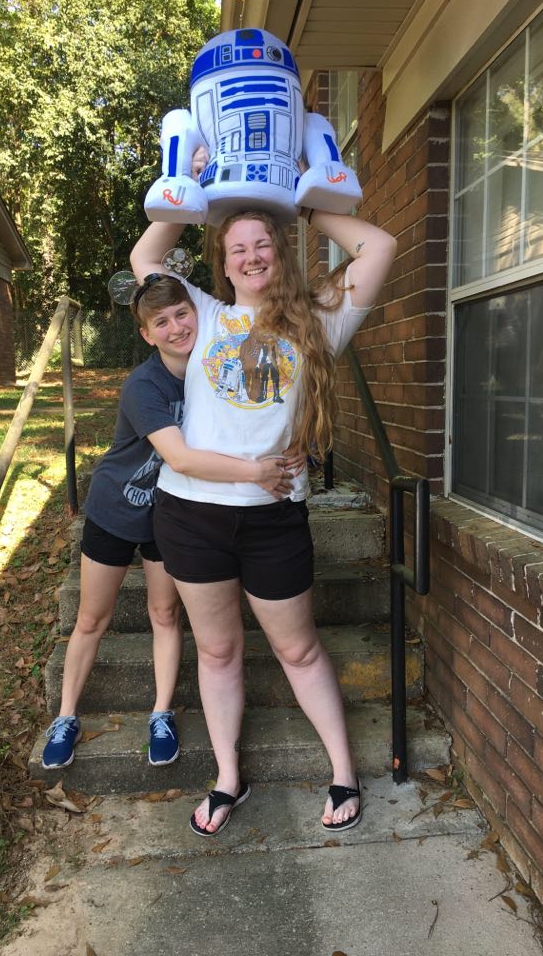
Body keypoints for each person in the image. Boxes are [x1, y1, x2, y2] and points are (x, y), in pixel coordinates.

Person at [130, 206, 396, 836]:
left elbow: (379, 246)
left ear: (280, 248)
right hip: (190, 515)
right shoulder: (206, 314)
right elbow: (146, 260)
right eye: (236, 249)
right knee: (218, 651)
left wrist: (310, 200)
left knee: (297, 649)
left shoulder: (319, 318)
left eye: (262, 244)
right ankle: (228, 778)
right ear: (221, 264)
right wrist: (186, 192)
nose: (250, 257)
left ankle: (344, 773)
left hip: (273, 516)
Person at [41, 275, 297, 770]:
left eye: (182, 313)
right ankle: (66, 715)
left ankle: (160, 712)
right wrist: (256, 473)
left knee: (165, 615)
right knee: (92, 618)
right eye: (161, 322)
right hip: (117, 508)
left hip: (171, 514)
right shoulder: (144, 385)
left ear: (197, 311)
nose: (177, 327)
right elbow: (178, 457)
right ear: (147, 334)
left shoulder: (214, 369)